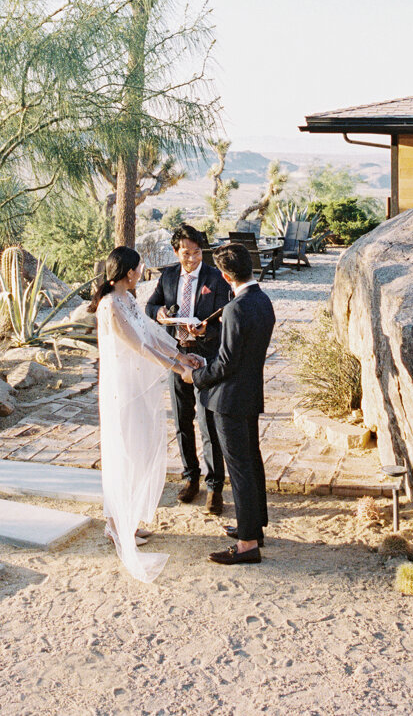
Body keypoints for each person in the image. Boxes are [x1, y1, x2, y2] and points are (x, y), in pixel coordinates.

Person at [91, 246, 202, 583]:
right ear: (128, 273)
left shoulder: (128, 299)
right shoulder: (111, 305)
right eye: (139, 267)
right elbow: (137, 345)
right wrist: (174, 366)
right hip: (122, 389)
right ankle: (116, 526)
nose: (143, 271)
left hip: (136, 387)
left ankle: (128, 521)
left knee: (139, 450)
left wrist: (183, 356)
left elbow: (152, 334)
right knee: (124, 450)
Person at [186, 242, 275, 565]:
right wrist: (212, 333)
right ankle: (254, 527)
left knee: (239, 470)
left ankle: (248, 545)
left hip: (230, 400)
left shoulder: (237, 307)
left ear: (225, 276)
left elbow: (225, 363)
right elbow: (240, 346)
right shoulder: (262, 301)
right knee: (251, 463)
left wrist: (195, 377)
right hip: (249, 394)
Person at [145, 224, 232, 514]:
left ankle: (214, 486)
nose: (192, 259)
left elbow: (223, 316)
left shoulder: (216, 277)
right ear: (175, 252)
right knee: (182, 421)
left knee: (208, 422)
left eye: (197, 253)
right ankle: (190, 478)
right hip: (175, 355)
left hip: (205, 357)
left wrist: (206, 329)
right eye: (186, 253)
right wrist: (157, 313)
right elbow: (151, 305)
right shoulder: (168, 275)